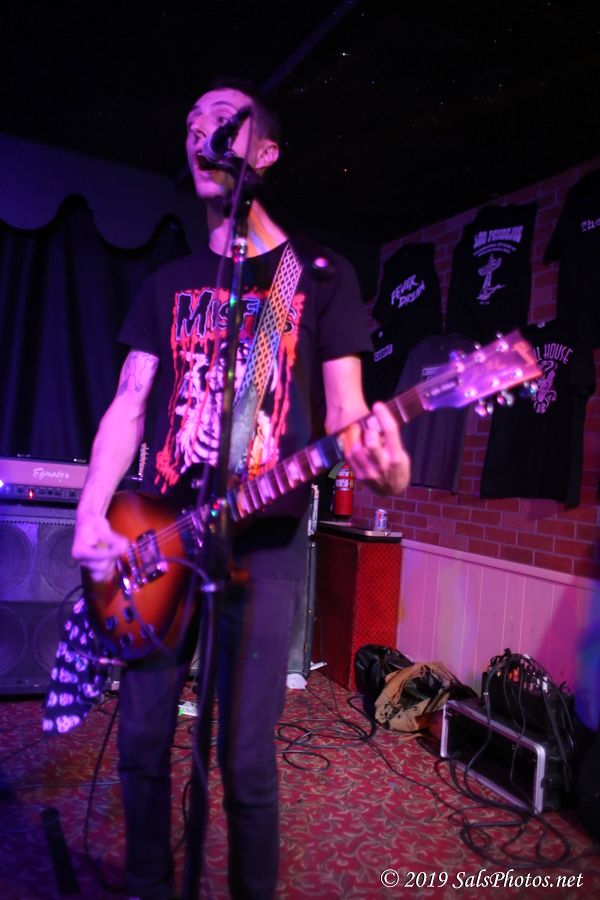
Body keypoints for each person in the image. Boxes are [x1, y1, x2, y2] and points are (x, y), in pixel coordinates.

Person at [71, 78, 411, 900]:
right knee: (141, 740)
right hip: (161, 535)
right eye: (192, 122)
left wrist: (387, 461)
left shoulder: (318, 277)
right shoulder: (169, 283)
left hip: (264, 545)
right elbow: (129, 403)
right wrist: (90, 511)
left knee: (247, 760)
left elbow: (347, 414)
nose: (202, 132)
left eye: (224, 120)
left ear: (266, 151)